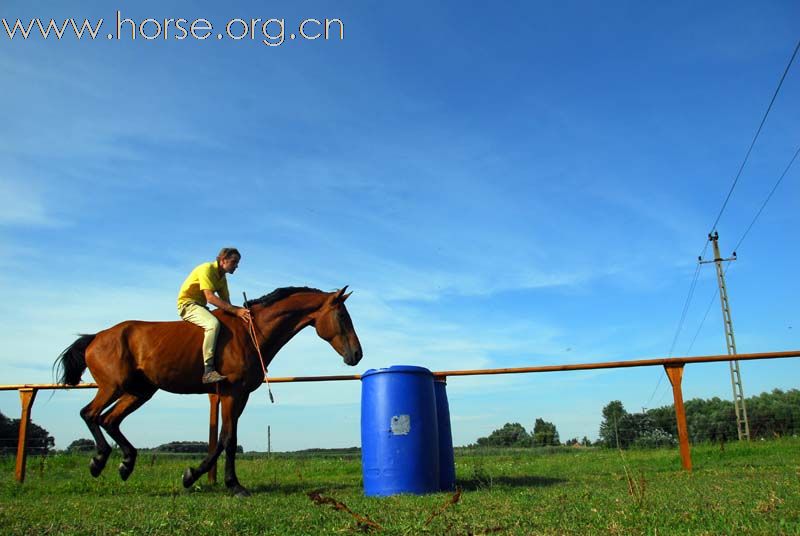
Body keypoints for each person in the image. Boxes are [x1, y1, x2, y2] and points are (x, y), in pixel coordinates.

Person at [177, 247, 251, 384]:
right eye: (234, 262)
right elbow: (210, 298)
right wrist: (235, 311)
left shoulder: (222, 278)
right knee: (213, 324)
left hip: (201, 306)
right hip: (188, 305)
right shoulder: (207, 269)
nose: (237, 266)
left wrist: (241, 313)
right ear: (223, 260)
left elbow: (227, 303)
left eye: (238, 263)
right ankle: (208, 371)